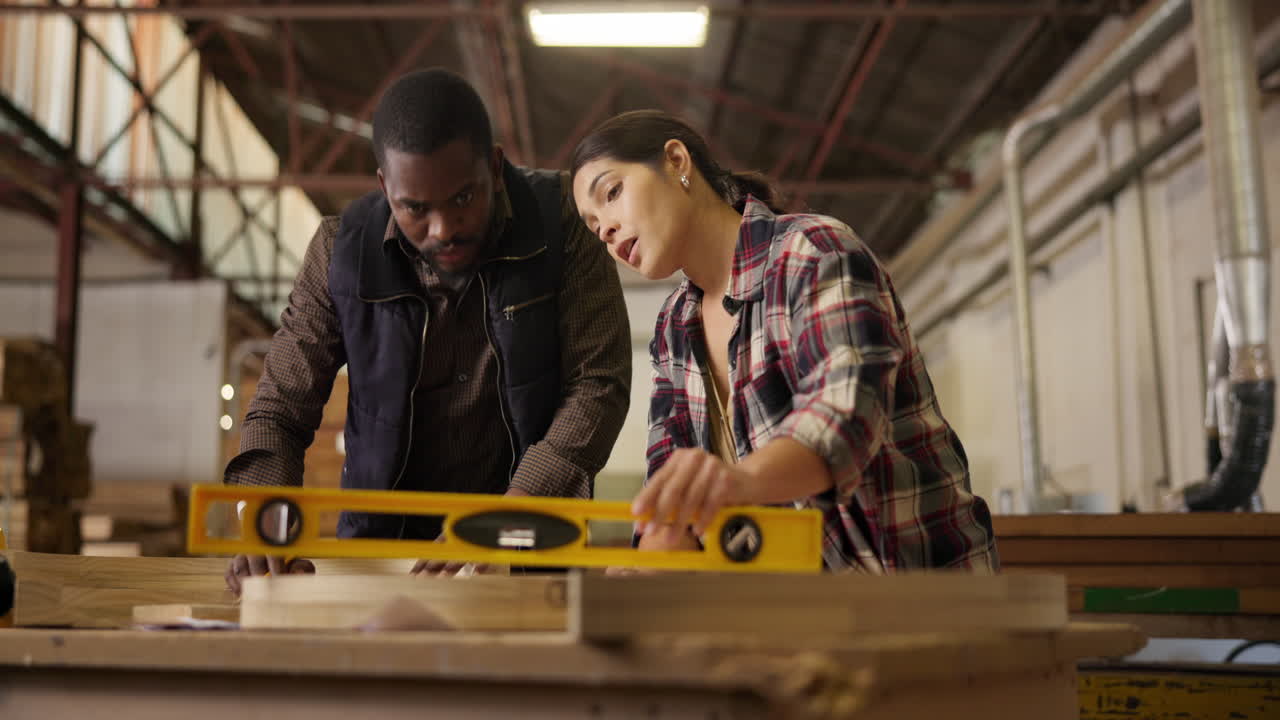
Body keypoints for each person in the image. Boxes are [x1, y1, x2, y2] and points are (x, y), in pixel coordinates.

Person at [222, 70, 631, 593]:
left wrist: (506, 519)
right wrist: (266, 523)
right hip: (380, 552)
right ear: (384, 188)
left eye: (464, 198)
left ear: (497, 169)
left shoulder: (563, 226)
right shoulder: (339, 252)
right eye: (415, 208)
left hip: (528, 543)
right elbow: (280, 407)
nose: (442, 229)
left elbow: (598, 386)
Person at [570, 110, 997, 573]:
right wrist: (640, 564)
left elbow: (845, 419)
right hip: (791, 611)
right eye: (594, 226)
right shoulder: (674, 326)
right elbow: (669, 484)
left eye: (611, 194)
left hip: (917, 590)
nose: (607, 232)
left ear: (676, 161)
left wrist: (734, 482)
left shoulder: (813, 251)